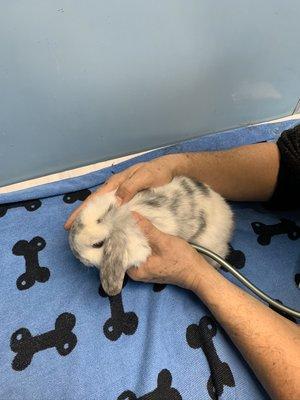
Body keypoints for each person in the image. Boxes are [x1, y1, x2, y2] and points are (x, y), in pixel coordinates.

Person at [65, 124, 300, 400]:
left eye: (95, 247)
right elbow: (290, 163)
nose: (82, 257)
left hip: (210, 226)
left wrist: (196, 274)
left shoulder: (124, 241)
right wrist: (172, 165)